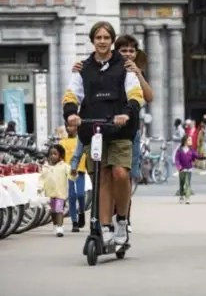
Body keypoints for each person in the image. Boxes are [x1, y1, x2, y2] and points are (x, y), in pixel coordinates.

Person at [62, 21, 144, 246]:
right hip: (93, 130)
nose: (102, 41)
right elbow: (72, 94)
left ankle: (121, 220)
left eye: (106, 38)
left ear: (111, 41)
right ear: (92, 40)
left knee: (119, 173)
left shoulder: (124, 66)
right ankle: (105, 225)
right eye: (98, 37)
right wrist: (71, 114)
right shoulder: (83, 68)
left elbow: (135, 93)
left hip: (120, 130)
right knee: (102, 177)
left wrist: (126, 113)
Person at [60, 123, 87, 232]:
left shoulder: (81, 141)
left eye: (71, 126)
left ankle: (81, 211)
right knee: (71, 196)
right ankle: (74, 222)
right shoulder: (62, 142)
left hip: (80, 171)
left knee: (80, 194)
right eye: (67, 126)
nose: (68, 128)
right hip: (68, 173)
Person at [39, 144, 70, 237]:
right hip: (50, 193)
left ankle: (60, 228)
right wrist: (40, 188)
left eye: (55, 154)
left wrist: (73, 173)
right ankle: (55, 224)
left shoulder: (64, 166)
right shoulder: (46, 167)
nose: (53, 156)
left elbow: (71, 176)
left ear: (60, 155)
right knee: (53, 211)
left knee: (59, 210)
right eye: (51, 154)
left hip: (60, 193)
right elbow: (42, 178)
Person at [175, 134, 206, 204]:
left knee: (187, 184)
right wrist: (179, 167)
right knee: (181, 184)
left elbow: (198, 156)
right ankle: (181, 196)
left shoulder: (192, 151)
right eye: (189, 140)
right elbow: (177, 160)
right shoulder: (179, 150)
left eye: (191, 140)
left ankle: (187, 197)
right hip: (181, 170)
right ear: (185, 141)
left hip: (189, 170)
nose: (191, 141)